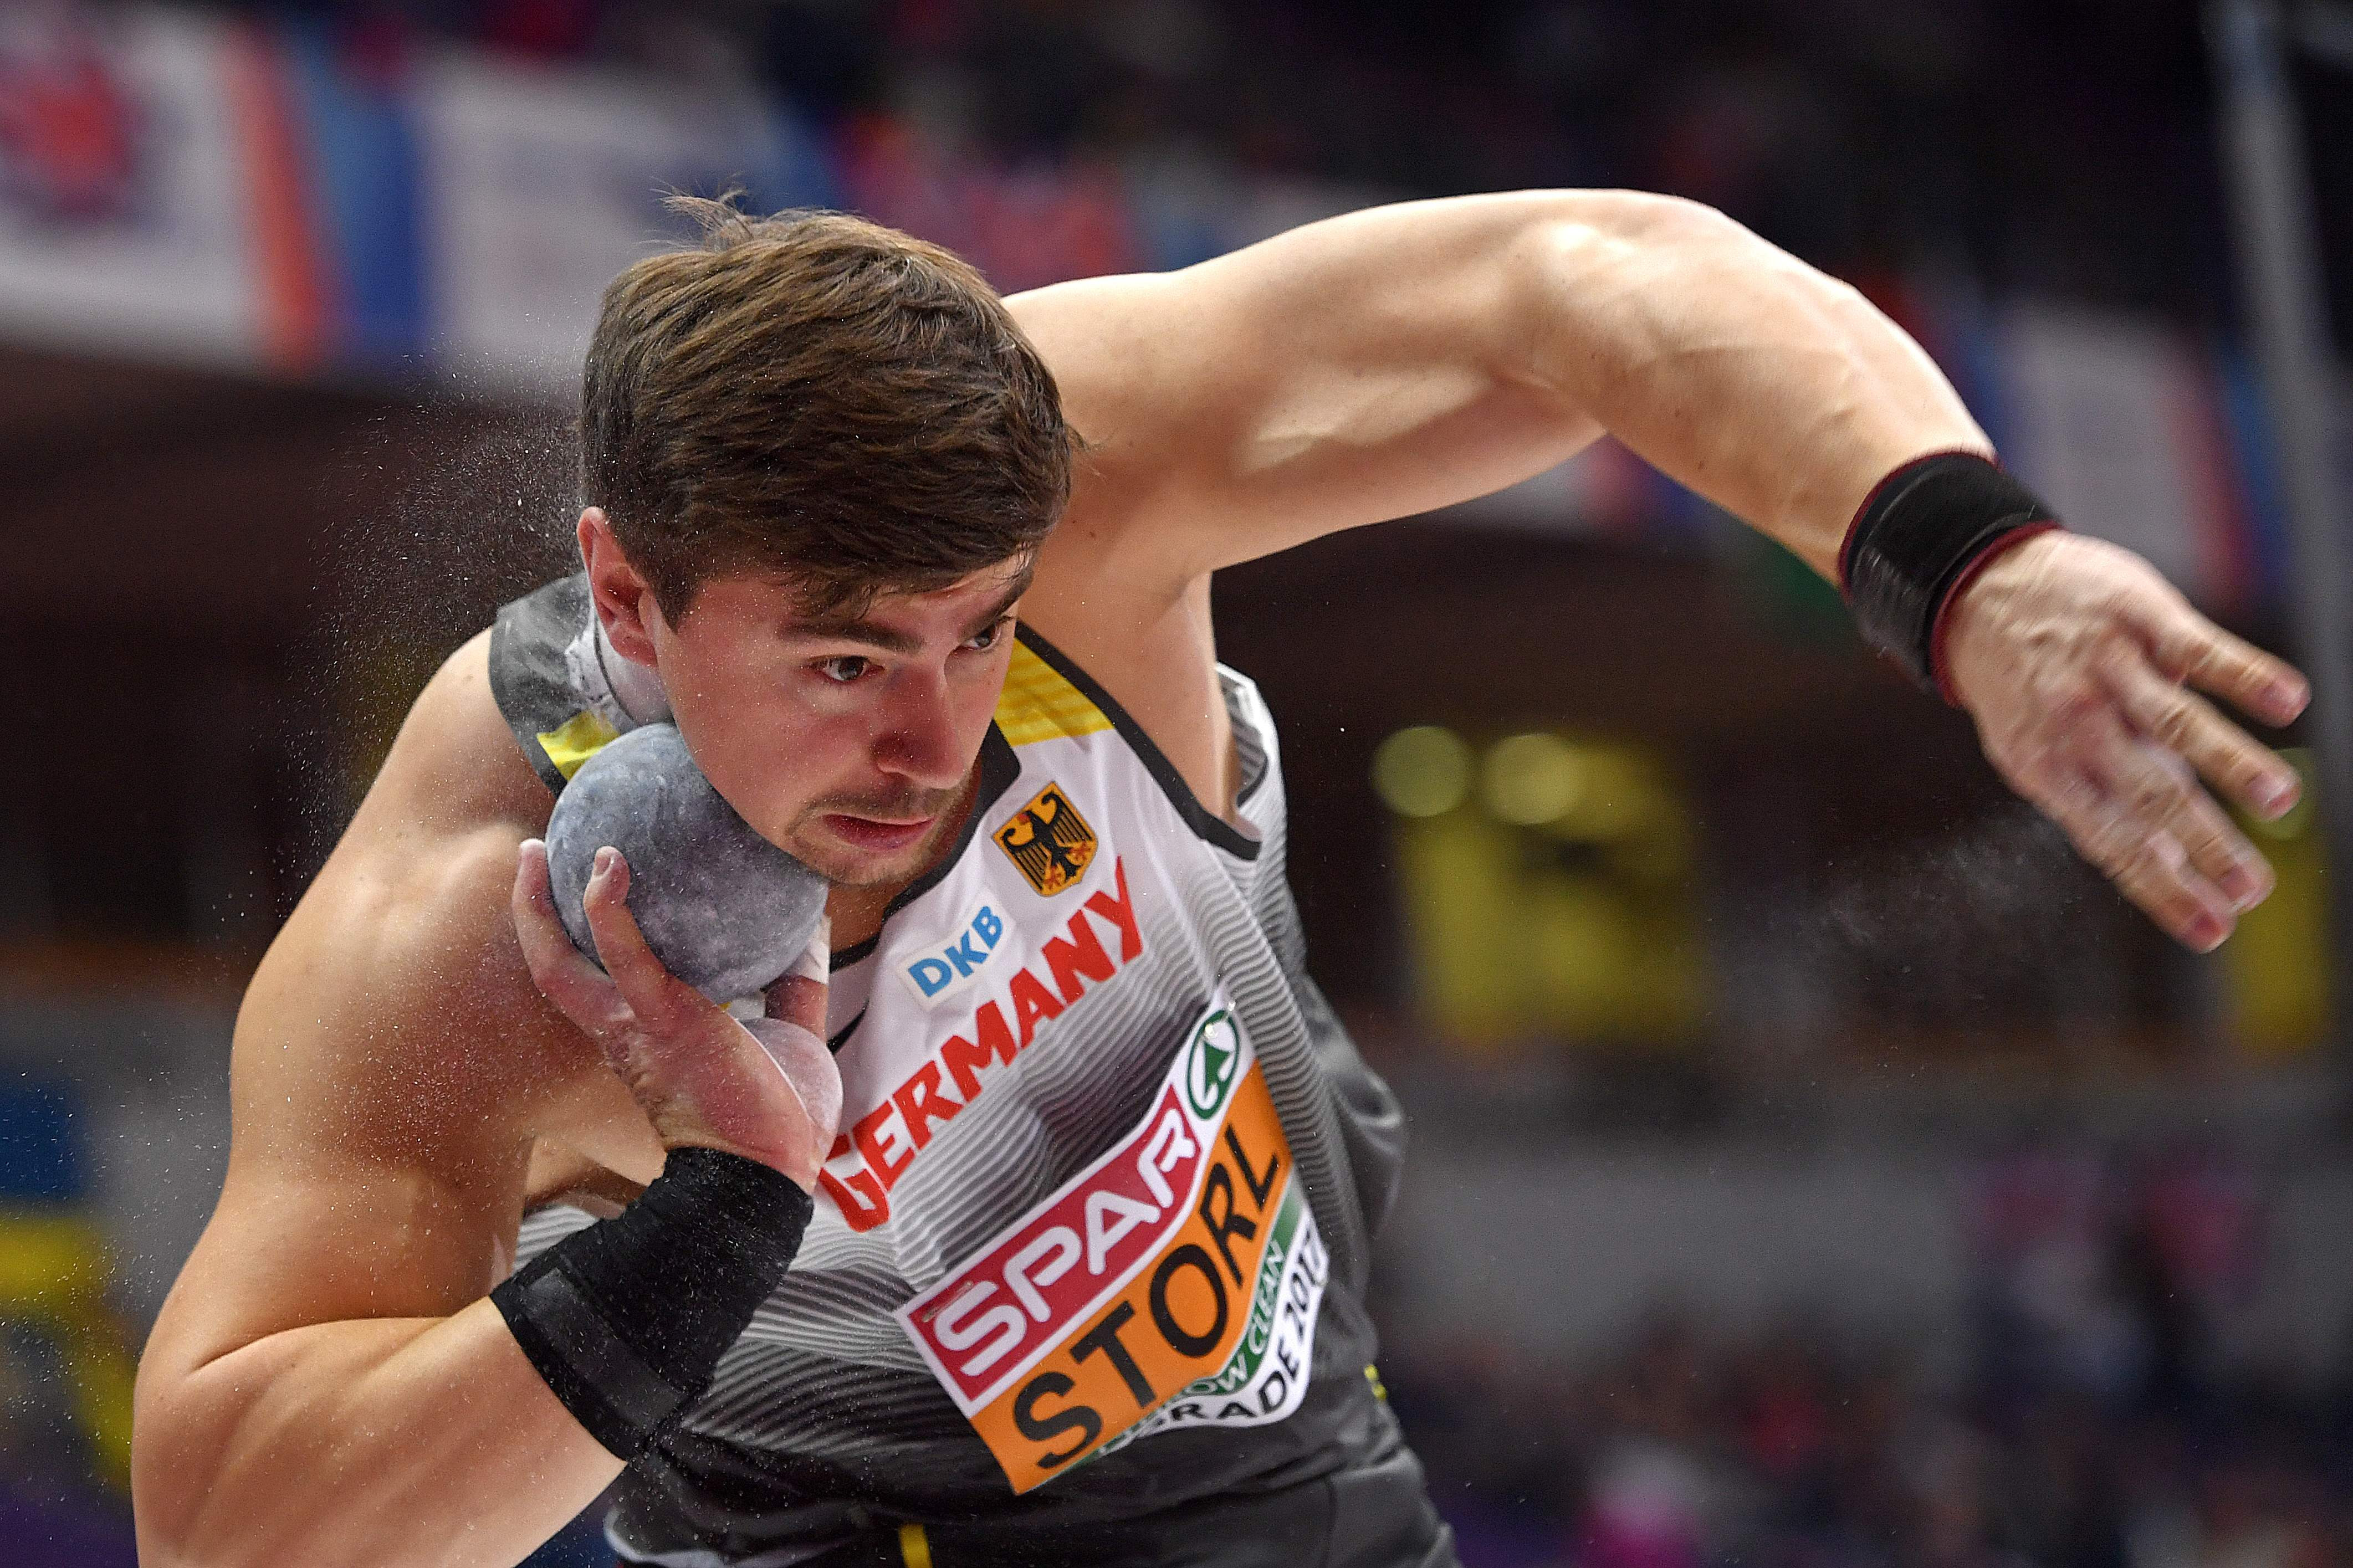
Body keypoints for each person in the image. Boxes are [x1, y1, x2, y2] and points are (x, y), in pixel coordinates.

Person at [130, 192, 2308, 1568]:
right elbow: (229, 1534)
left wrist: (1957, 562)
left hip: (1308, 1481)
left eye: (983, 629)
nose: (939, 734)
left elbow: (1588, 276)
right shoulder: (484, 939)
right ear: (626, 589)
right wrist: (718, 1220)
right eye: (841, 659)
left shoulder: (1090, 461)